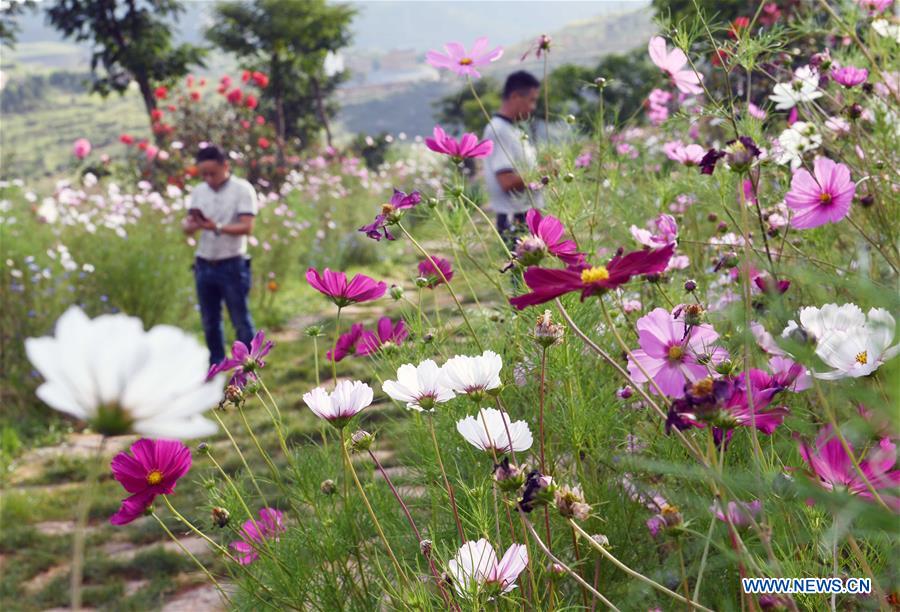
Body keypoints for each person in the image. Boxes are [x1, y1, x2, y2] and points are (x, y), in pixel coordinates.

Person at [182, 145, 258, 367]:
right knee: (209, 321)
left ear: (226, 166)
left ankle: (251, 364)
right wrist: (191, 226)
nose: (208, 178)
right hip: (203, 263)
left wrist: (215, 226)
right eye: (203, 174)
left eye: (212, 173)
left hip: (232, 263)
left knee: (240, 319)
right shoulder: (199, 191)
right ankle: (216, 365)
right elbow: (188, 228)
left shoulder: (242, 189)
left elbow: (246, 227)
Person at [482, 70, 544, 245]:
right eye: (532, 100)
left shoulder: (512, 129)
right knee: (522, 271)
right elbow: (507, 182)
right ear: (516, 96)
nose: (533, 107)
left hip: (525, 213)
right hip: (515, 217)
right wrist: (543, 173)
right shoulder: (498, 130)